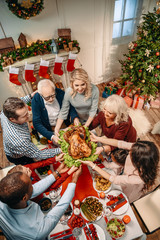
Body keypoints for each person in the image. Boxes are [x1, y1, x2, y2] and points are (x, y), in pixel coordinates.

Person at [0, 165, 82, 240]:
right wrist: (74, 179)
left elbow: (35, 189)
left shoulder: (8, 196)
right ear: (24, 198)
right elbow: (61, 206)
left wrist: (57, 172)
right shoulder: (37, 231)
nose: (33, 186)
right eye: (31, 185)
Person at [78, 137, 159, 203]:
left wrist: (92, 165)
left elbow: (114, 179)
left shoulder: (138, 179)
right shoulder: (137, 149)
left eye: (131, 153)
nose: (129, 151)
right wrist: (98, 139)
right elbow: (119, 143)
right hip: (125, 176)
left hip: (131, 189)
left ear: (137, 161)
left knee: (124, 198)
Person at [0, 94, 61, 165]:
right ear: (12, 119)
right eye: (24, 116)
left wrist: (31, 95)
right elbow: (38, 154)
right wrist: (59, 150)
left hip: (23, 144)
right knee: (33, 164)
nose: (28, 116)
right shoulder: (19, 140)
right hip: (20, 157)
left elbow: (22, 100)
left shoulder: (4, 112)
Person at [7, 159, 78, 203]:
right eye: (27, 171)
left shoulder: (25, 169)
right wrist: (68, 173)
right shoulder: (31, 190)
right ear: (25, 180)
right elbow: (51, 187)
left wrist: (55, 159)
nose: (28, 169)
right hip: (40, 198)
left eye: (26, 168)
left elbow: (41, 164)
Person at [55, 68, 99, 136]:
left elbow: (93, 110)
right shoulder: (68, 92)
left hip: (91, 118)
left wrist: (85, 126)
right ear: (72, 84)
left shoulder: (94, 90)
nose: (80, 88)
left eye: (83, 84)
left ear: (87, 82)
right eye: (77, 85)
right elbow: (64, 110)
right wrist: (56, 129)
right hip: (77, 119)